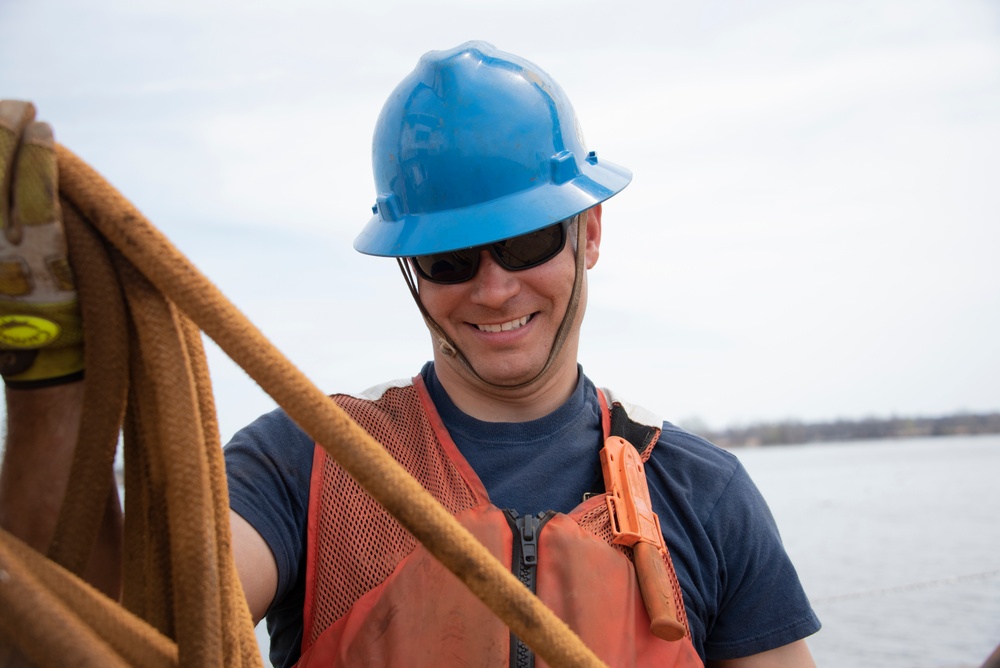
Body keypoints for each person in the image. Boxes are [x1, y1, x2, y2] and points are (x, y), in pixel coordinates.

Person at [1, 43, 820, 667]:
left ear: (589, 235)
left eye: (526, 242)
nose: (493, 290)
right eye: (451, 260)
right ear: (410, 271)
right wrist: (50, 388)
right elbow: (110, 623)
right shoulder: (310, 465)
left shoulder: (702, 495)